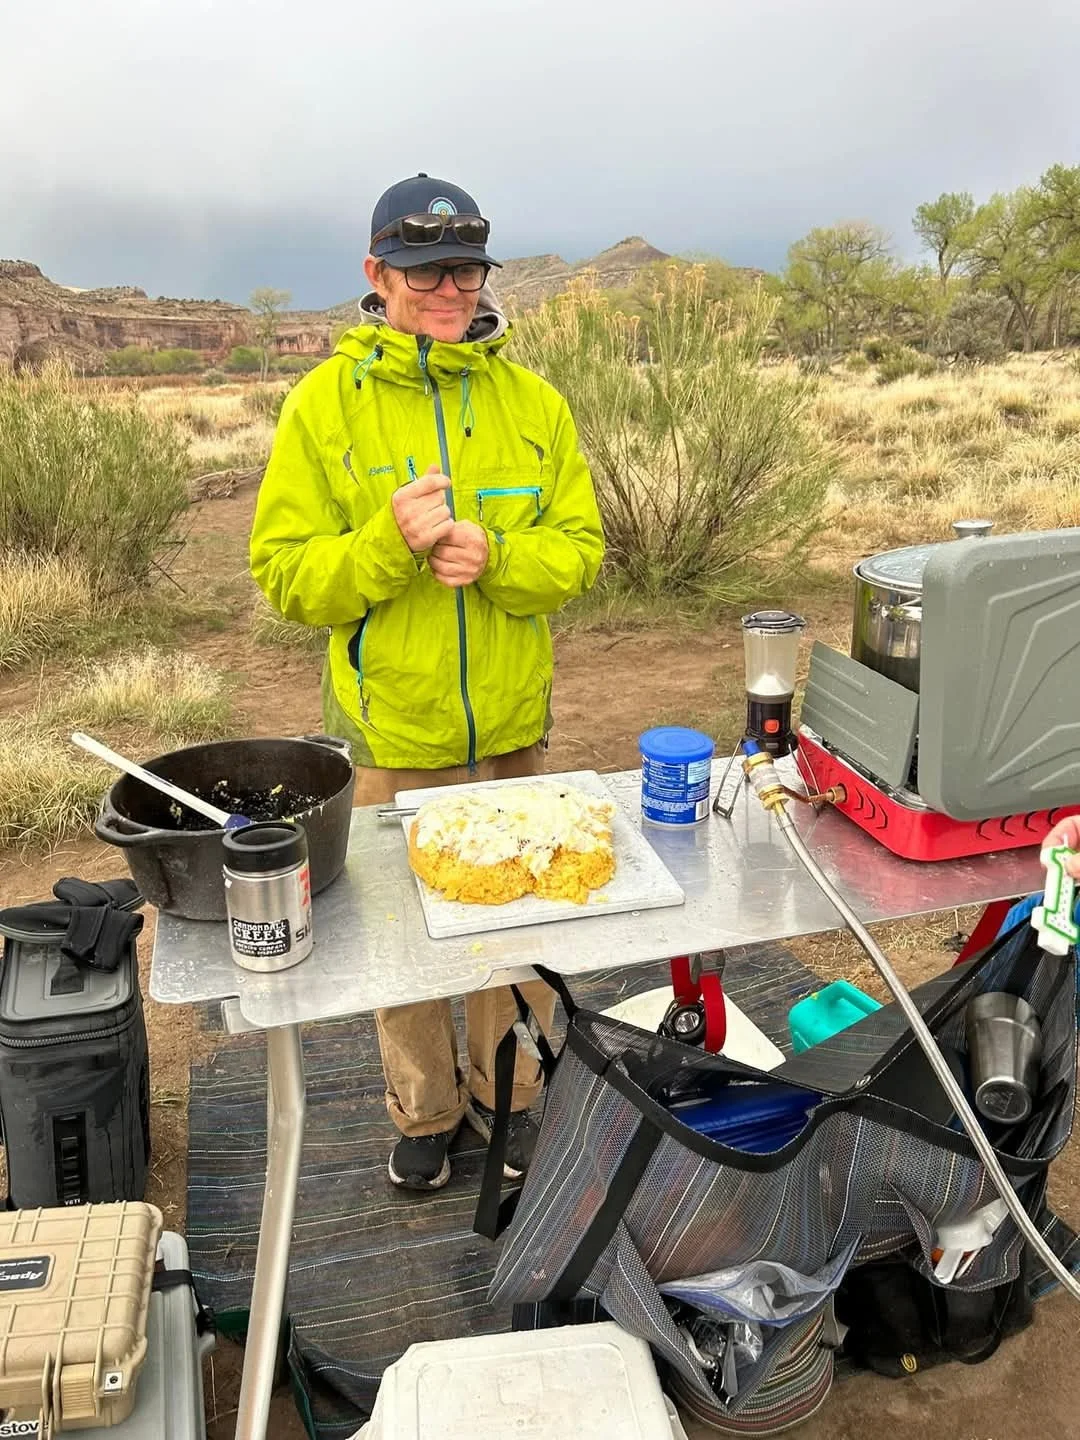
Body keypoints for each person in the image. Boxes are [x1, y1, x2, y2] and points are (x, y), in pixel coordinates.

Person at [250, 173, 604, 1191]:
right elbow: (286, 577)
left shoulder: (533, 404)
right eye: (421, 269)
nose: (447, 288)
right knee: (401, 935)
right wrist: (381, 547)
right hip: (391, 735)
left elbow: (580, 553)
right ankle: (425, 1108)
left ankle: (512, 1095)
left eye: (463, 268)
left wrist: (502, 558)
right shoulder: (324, 406)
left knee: (513, 919)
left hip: (509, 729)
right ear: (376, 273)